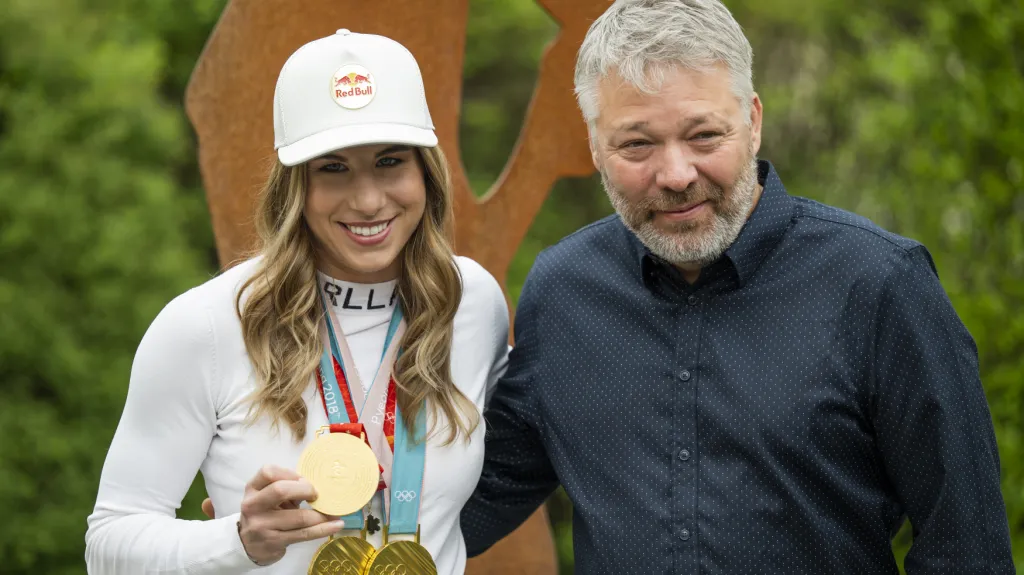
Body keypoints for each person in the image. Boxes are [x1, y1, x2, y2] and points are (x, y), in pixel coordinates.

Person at [460, 0, 1016, 573]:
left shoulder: (880, 286)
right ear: (596, 145)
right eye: (637, 145)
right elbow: (481, 492)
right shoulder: (564, 292)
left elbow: (966, 549)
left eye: (703, 135)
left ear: (752, 121)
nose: (675, 175)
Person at [85, 29, 509, 575]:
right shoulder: (208, 326)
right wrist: (237, 539)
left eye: (390, 162)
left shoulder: (472, 301)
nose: (368, 200)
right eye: (332, 168)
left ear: (427, 173)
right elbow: (109, 543)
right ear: (293, 187)